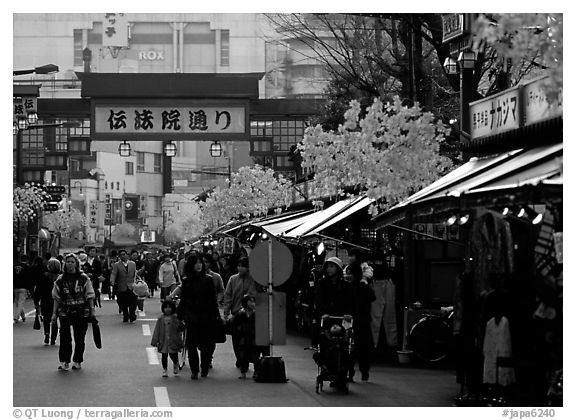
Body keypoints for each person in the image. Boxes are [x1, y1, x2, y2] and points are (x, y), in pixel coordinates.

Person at [176, 254, 220, 380]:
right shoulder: (186, 281)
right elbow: (183, 300)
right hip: (191, 317)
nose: (199, 265)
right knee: (191, 345)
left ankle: (204, 367)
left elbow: (213, 300)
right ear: (191, 265)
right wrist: (179, 317)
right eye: (196, 263)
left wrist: (217, 316)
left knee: (206, 345)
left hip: (207, 317)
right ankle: (194, 370)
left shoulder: (209, 280)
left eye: (200, 263)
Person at [51, 253, 95, 371]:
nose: (70, 264)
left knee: (79, 337)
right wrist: (54, 314)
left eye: (72, 262)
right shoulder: (60, 280)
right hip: (65, 311)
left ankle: (77, 360)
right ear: (64, 264)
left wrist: (92, 311)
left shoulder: (84, 278)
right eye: (68, 262)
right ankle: (65, 361)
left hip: (81, 311)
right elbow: (56, 297)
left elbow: (90, 295)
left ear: (76, 264)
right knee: (65, 337)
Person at [223, 257, 266, 368]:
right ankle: (240, 359)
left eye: (243, 266)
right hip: (237, 314)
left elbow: (253, 294)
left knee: (250, 340)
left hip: (251, 315)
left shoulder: (254, 280)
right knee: (236, 339)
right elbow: (228, 296)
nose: (240, 268)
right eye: (239, 266)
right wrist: (226, 313)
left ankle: (249, 358)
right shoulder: (233, 279)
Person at [344, 248, 376, 382]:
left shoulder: (364, 284)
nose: (348, 276)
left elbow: (371, 297)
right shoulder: (346, 286)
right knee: (349, 347)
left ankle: (363, 371)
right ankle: (350, 372)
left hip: (361, 321)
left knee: (361, 347)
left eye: (351, 274)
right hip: (351, 320)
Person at [313, 257, 358, 346]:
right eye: (327, 267)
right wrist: (322, 314)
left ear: (338, 269)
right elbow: (318, 300)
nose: (328, 269)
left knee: (349, 335)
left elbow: (351, 301)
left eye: (331, 266)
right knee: (317, 329)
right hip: (326, 316)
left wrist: (349, 313)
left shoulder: (346, 285)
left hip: (341, 317)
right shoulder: (322, 283)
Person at [234, 294, 267, 380]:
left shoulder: (258, 314)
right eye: (250, 301)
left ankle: (256, 371)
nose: (253, 303)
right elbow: (234, 325)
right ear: (245, 303)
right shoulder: (240, 314)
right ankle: (243, 372)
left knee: (255, 356)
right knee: (242, 356)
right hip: (243, 339)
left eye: (253, 301)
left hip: (254, 338)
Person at [151, 300, 184, 377]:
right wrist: (155, 341)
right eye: (166, 307)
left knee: (173, 355)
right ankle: (165, 369)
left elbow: (180, 329)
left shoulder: (176, 318)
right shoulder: (160, 319)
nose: (168, 309)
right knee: (164, 356)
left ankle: (176, 364)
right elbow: (157, 330)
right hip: (163, 340)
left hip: (173, 340)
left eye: (170, 307)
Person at [32, 256, 59, 345]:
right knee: (55, 319)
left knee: (46, 319)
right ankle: (53, 338)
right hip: (57, 301)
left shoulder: (44, 276)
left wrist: (36, 302)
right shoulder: (60, 278)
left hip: (45, 300)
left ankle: (47, 334)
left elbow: (38, 290)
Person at [110, 249, 138, 323]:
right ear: (119, 256)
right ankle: (125, 315)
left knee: (133, 301)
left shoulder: (133, 264)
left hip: (132, 286)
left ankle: (132, 315)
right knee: (123, 303)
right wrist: (112, 281)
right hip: (121, 286)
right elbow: (113, 273)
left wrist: (136, 282)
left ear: (127, 255)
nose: (123, 256)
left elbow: (135, 274)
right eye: (121, 255)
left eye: (124, 254)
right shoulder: (116, 265)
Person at [13, 254, 32, 323]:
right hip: (23, 287)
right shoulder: (27, 267)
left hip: (15, 287)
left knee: (16, 302)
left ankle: (23, 316)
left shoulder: (14, 266)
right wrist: (29, 289)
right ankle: (16, 317)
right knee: (21, 302)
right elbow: (28, 279)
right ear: (27, 260)